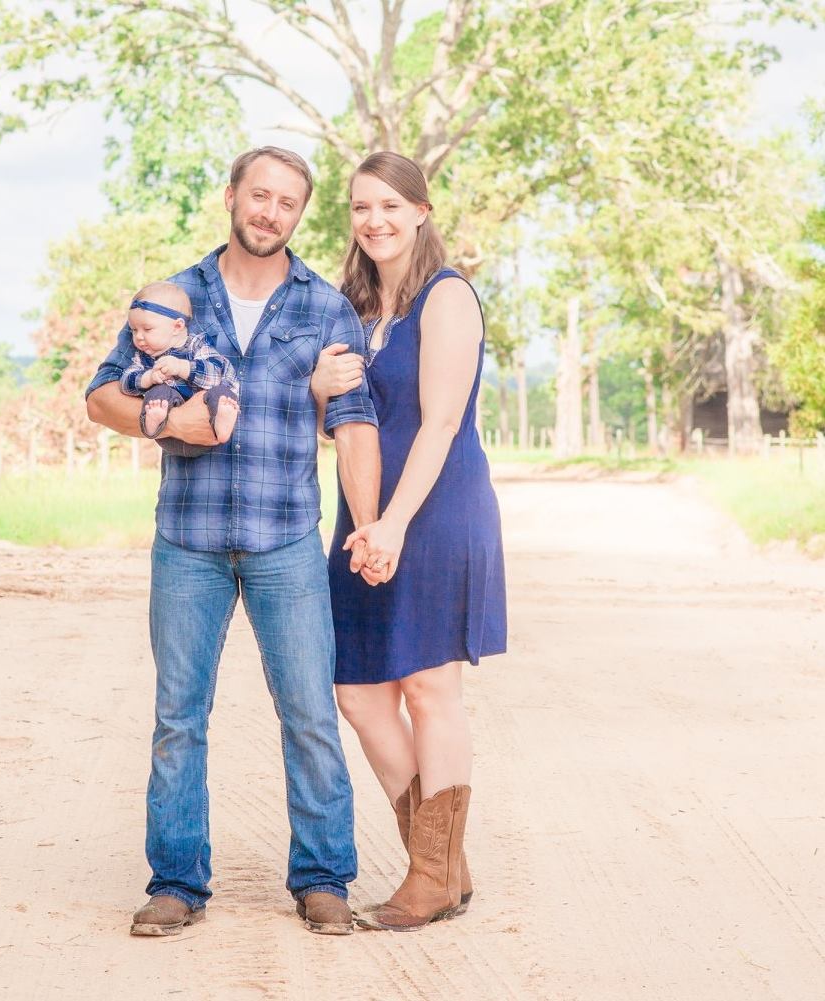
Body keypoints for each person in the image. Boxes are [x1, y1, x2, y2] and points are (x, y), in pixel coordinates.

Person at [85, 147, 381, 937]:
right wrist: (167, 419)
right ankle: (176, 882)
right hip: (190, 540)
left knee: (310, 711)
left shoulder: (325, 307)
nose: (270, 212)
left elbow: (354, 424)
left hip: (287, 538)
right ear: (231, 197)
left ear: (298, 214)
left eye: (288, 202)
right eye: (260, 195)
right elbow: (101, 395)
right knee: (179, 715)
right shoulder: (173, 297)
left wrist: (375, 523)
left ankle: (323, 877)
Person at [311, 151, 507, 931]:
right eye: (361, 207)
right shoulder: (352, 308)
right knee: (359, 691)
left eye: (390, 205)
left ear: (421, 210)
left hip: (434, 514)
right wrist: (316, 388)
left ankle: (428, 873)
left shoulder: (446, 295)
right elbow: (341, 416)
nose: (375, 220)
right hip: (364, 517)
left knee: (429, 690)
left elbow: (441, 422)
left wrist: (394, 523)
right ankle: (446, 865)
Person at [119, 280, 240, 450]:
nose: (138, 337)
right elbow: (125, 383)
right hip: (171, 434)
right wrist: (148, 378)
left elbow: (215, 376)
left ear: (177, 326)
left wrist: (181, 367)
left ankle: (222, 421)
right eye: (134, 330)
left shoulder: (196, 345)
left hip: (207, 428)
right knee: (159, 392)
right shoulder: (144, 357)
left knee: (222, 393)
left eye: (147, 329)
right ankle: (154, 421)